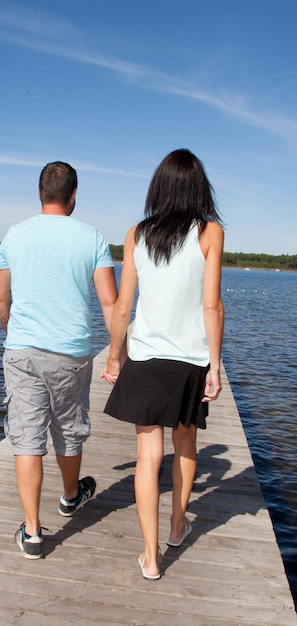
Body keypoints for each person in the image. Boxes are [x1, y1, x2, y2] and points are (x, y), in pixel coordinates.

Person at [101, 149, 224, 580]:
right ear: (198, 188)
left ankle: (150, 557)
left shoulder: (136, 233)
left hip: (146, 358)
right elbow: (212, 308)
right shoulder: (210, 232)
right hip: (190, 360)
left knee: (147, 456)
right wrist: (216, 365)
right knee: (185, 443)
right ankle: (177, 527)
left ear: (159, 186)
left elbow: (122, 308)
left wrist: (115, 356)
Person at [0, 161, 118, 560]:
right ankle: (69, 496)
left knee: (27, 439)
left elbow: (0, 299)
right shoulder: (92, 237)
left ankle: (32, 534)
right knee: (69, 429)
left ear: (39, 193)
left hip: (22, 351)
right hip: (72, 353)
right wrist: (118, 352)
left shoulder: (15, 235)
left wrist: (14, 332)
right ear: (74, 195)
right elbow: (109, 302)